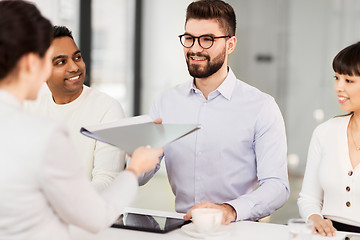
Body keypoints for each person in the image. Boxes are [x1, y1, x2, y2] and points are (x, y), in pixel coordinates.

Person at [0, 1, 163, 239]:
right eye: (50, 61)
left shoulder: (105, 107)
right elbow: (95, 215)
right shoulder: (43, 135)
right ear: (29, 63)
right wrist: (136, 167)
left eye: (77, 57)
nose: (72, 67)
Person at [139, 0, 289, 224]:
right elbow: (141, 175)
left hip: (237, 230)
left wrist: (230, 210)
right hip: (179, 230)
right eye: (189, 38)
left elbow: (277, 186)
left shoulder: (262, 107)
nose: (195, 48)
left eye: (207, 40)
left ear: (230, 44)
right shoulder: (165, 102)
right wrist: (133, 160)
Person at [25, 26, 126, 192]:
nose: (74, 67)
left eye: (77, 57)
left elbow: (108, 181)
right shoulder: (31, 107)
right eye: (61, 62)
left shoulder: (108, 109)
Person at [298, 42, 360, 236]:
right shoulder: (325, 132)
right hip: (328, 235)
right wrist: (315, 218)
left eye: (348, 81)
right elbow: (308, 197)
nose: (338, 87)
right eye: (337, 78)